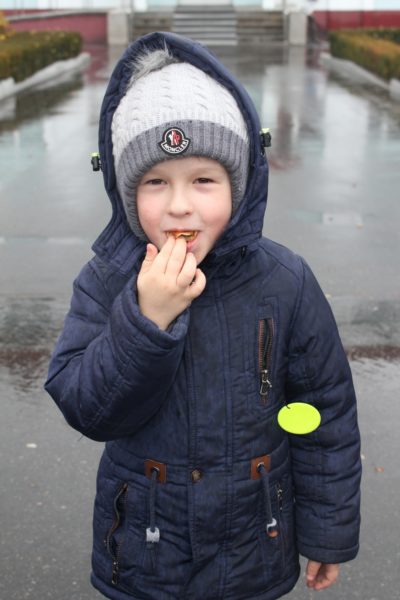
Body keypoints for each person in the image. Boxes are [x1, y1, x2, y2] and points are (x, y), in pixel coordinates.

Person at [45, 32, 361, 600]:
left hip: (255, 547)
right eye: (155, 182)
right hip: (146, 552)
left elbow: (321, 414)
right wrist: (146, 320)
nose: (179, 206)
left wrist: (326, 532)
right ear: (126, 191)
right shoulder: (108, 280)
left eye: (203, 180)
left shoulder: (284, 281)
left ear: (239, 184)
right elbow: (88, 408)